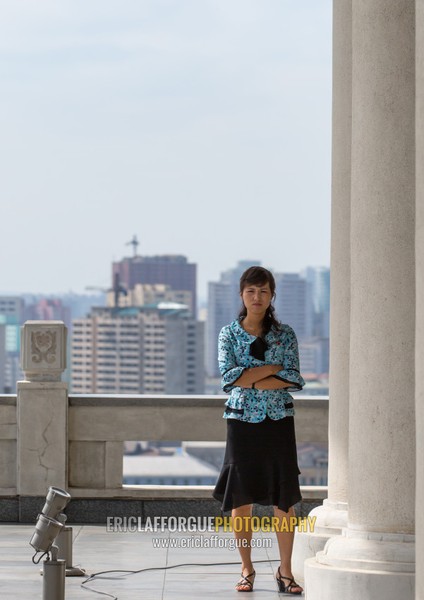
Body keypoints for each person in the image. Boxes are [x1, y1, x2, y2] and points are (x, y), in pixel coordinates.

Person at [212, 266, 305, 594]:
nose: (257, 297)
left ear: (271, 296)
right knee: (241, 498)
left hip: (279, 421)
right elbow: (228, 377)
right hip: (242, 423)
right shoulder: (228, 334)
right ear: (242, 294)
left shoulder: (285, 334)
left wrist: (250, 375)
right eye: (251, 291)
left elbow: (294, 377)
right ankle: (247, 568)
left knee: (285, 498)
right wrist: (270, 369)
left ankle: (285, 571)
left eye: (263, 291)